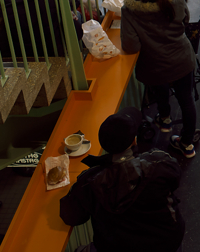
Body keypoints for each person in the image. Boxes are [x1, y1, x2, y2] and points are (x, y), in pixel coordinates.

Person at [60, 107, 185, 251]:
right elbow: (175, 179)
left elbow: (71, 217)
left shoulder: (89, 182)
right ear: (134, 141)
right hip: (167, 243)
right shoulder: (159, 162)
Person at [120, 0, 198, 158]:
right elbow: (186, 20)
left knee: (160, 85)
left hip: (154, 66)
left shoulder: (130, 9)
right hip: (183, 59)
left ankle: (164, 118)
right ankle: (187, 144)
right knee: (187, 100)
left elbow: (131, 46)